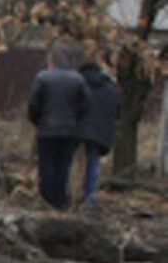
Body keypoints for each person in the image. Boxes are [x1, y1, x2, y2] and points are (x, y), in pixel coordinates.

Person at [26, 45, 90, 211]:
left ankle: (46, 199)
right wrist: (75, 118)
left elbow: (33, 103)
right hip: (69, 129)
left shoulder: (42, 78)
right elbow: (86, 104)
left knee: (46, 165)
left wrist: (37, 120)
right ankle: (59, 200)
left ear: (50, 61)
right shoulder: (78, 79)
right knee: (63, 165)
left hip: (46, 129)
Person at [75, 57, 122, 207]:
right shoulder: (112, 88)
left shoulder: (77, 85)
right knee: (93, 163)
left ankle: (69, 193)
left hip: (75, 130)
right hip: (100, 132)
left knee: (72, 162)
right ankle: (89, 196)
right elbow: (118, 113)